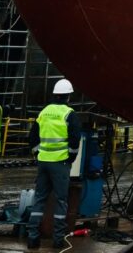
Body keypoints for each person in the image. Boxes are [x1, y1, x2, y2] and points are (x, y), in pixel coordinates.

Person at [26, 79, 77, 249]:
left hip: (43, 162)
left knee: (39, 199)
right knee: (61, 200)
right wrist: (71, 158)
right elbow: (75, 139)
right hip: (60, 163)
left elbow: (32, 137)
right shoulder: (69, 114)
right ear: (68, 96)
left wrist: (37, 154)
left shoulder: (44, 112)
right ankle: (58, 240)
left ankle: (32, 237)